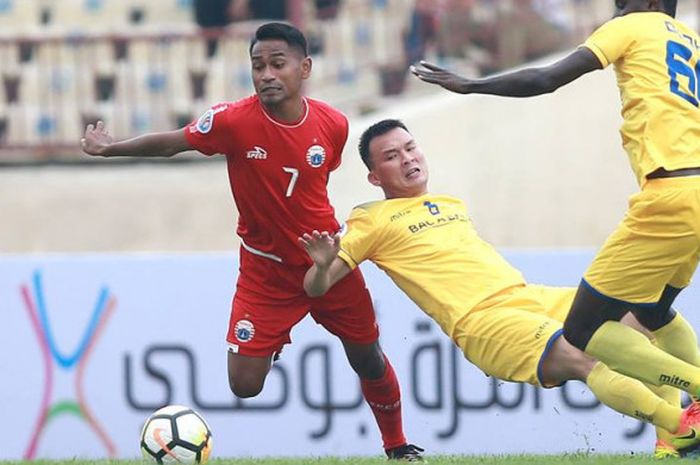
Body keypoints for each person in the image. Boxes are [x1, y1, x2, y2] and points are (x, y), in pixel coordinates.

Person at [81, 23, 422, 461]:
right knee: (244, 385)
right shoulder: (233, 121)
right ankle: (274, 339)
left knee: (367, 357)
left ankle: (397, 447)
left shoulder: (333, 125)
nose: (266, 75)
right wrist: (113, 149)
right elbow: (173, 144)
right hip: (264, 270)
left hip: (327, 260)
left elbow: (313, 181)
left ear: (305, 68)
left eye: (277, 64)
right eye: (257, 66)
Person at [299, 119, 700, 457]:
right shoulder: (372, 219)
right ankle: (682, 428)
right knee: (583, 362)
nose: (407, 159)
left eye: (410, 148)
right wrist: (320, 265)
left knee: (640, 317)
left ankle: (669, 442)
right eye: (391, 156)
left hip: (527, 297)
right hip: (484, 322)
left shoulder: (450, 203)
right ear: (374, 177)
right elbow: (317, 287)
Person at [411, 0, 700, 434]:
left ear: (654, 2)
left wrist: (473, 86)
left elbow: (547, 78)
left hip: (670, 196)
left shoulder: (634, 25)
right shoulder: (689, 41)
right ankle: (684, 420)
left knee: (583, 330)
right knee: (654, 312)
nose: (617, 6)